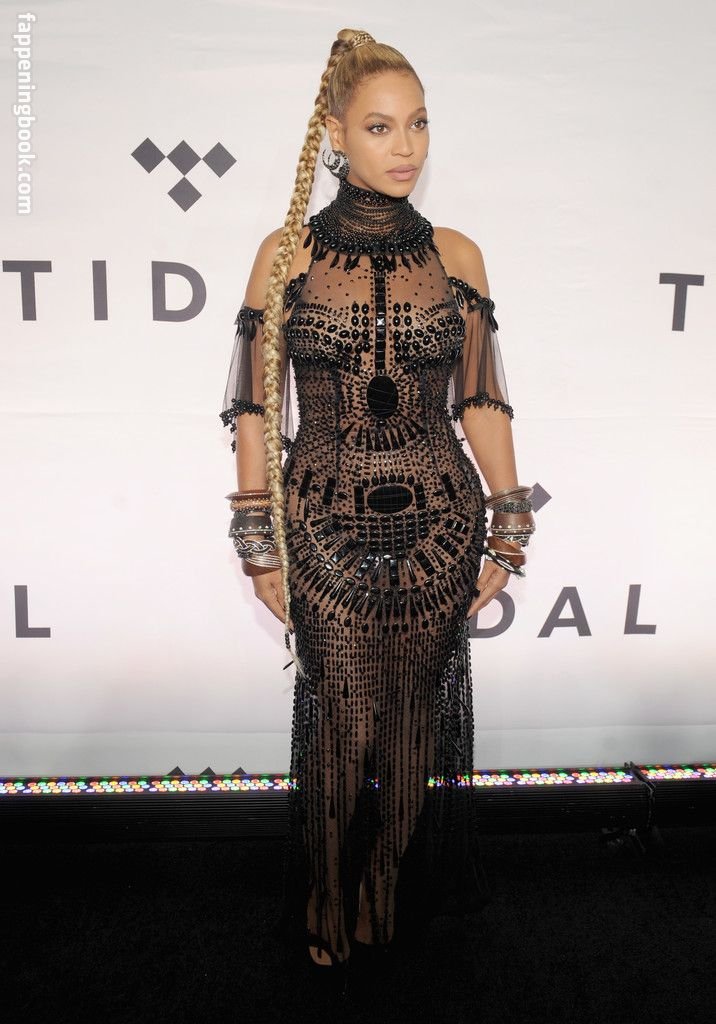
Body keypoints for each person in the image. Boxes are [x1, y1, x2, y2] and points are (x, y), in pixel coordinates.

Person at [220, 27, 535, 986]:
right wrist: (258, 542)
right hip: (323, 530)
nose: (407, 147)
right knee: (343, 722)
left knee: (411, 727)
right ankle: (324, 884)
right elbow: (255, 409)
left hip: (442, 525)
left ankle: (383, 877)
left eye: (420, 124)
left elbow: (480, 401)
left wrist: (510, 522)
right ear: (335, 135)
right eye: (382, 126)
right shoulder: (285, 256)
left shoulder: (460, 255)